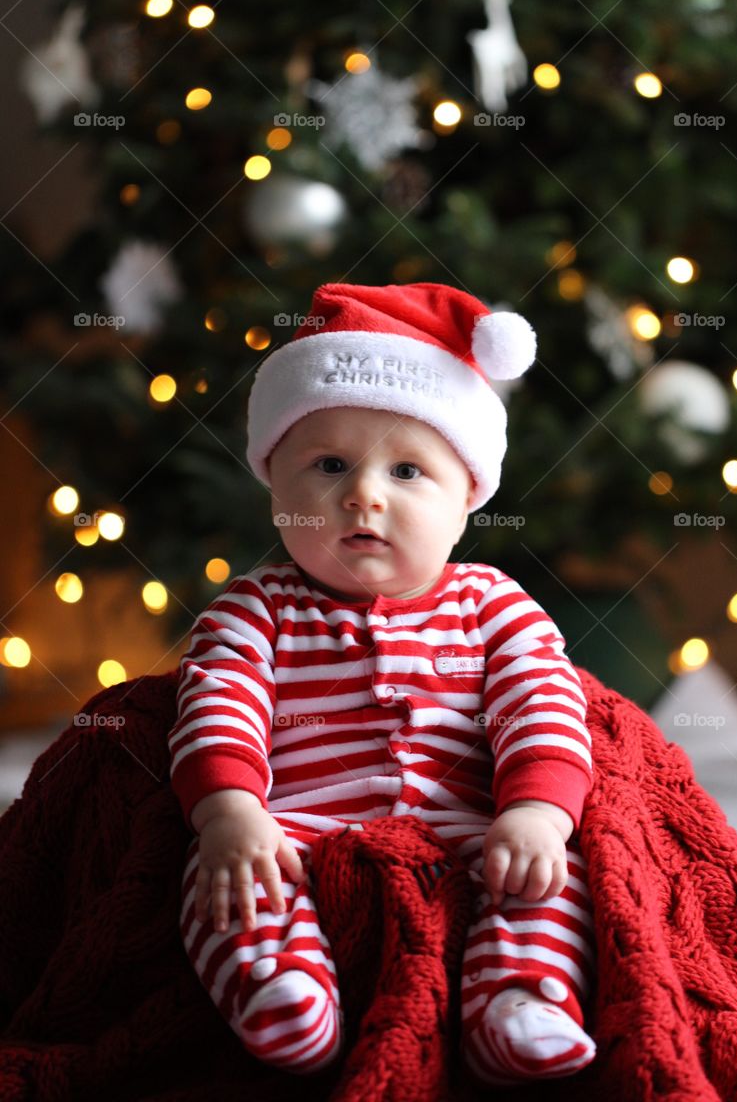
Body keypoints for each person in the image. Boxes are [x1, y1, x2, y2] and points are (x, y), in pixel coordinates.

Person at [167, 281, 597, 1087]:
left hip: (466, 835)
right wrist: (230, 813)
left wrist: (536, 813)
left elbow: (542, 703)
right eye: (328, 464)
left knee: (552, 877)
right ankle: (278, 985)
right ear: (275, 492)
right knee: (222, 877)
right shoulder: (255, 607)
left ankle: (519, 997)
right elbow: (216, 706)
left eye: (407, 470)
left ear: (466, 498)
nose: (363, 493)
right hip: (299, 833)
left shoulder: (489, 603)